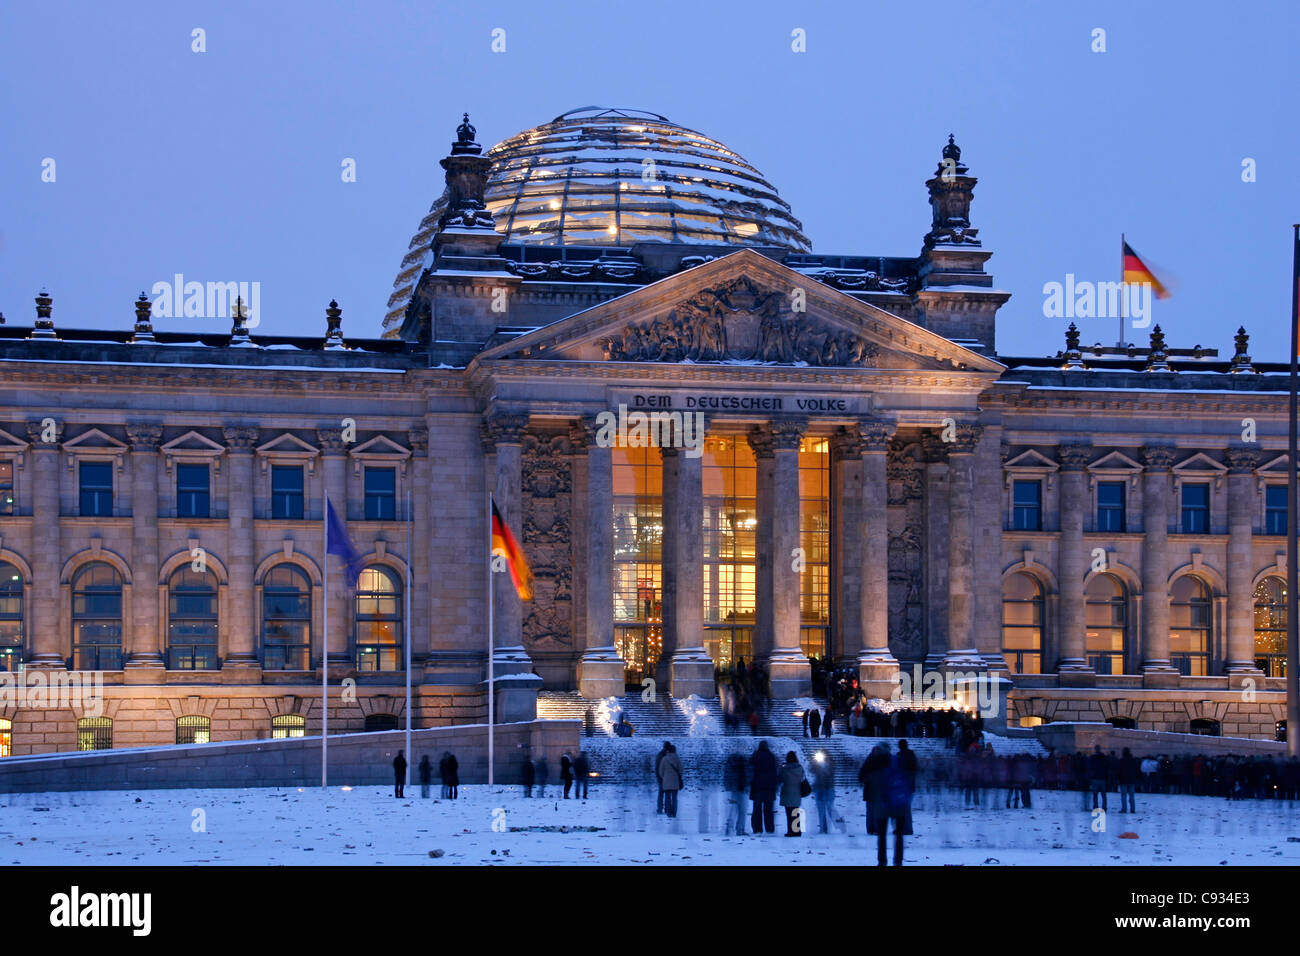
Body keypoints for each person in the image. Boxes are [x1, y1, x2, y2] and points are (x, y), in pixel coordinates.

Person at [749, 740, 779, 834]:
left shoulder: (755, 756)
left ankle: (757, 829)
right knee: (768, 810)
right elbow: (775, 772)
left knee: (757, 810)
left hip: (757, 787)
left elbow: (750, 768)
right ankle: (769, 828)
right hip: (769, 788)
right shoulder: (771, 756)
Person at [780, 751, 807, 837]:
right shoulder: (800, 768)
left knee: (789, 813)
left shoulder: (785, 768)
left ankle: (790, 831)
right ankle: (797, 830)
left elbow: (781, 778)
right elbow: (803, 778)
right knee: (796, 812)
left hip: (787, 792)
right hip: (797, 792)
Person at [811, 751, 836, 834]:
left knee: (828, 809)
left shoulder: (831, 765)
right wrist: (815, 764)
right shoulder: (817, 765)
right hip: (820, 788)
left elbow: (830, 774)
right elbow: (812, 770)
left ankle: (827, 827)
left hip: (828, 788)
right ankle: (822, 828)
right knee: (821, 810)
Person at [723, 752, 747, 836]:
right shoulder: (743, 761)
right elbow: (746, 775)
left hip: (733, 788)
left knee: (732, 809)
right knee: (742, 810)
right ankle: (740, 829)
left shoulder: (730, 762)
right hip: (741, 788)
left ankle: (729, 828)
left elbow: (726, 775)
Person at [659, 743, 683, 818]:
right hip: (675, 781)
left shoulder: (664, 759)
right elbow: (681, 770)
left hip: (666, 780)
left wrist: (663, 777)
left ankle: (669, 813)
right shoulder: (677, 759)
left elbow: (660, 771)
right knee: (675, 798)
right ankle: (674, 813)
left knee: (667, 797)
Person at [1117, 747, 1139, 813]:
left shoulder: (1121, 760)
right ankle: (1132, 809)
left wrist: (1118, 778)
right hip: (1131, 780)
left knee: (1123, 796)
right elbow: (1136, 770)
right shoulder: (1133, 760)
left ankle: (1124, 809)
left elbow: (1119, 771)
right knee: (1132, 796)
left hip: (1123, 780)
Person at [1088, 746, 1109, 811]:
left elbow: (1090, 767)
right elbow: (1106, 768)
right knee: (1103, 794)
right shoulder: (1104, 757)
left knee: (1095, 794)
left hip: (1095, 778)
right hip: (1102, 778)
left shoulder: (1092, 758)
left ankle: (1096, 806)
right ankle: (1104, 807)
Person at [655, 742, 672, 814]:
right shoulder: (670, 755)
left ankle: (660, 808)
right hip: (666, 777)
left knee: (661, 794)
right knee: (667, 794)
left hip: (662, 776)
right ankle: (666, 809)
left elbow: (657, 766)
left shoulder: (660, 755)